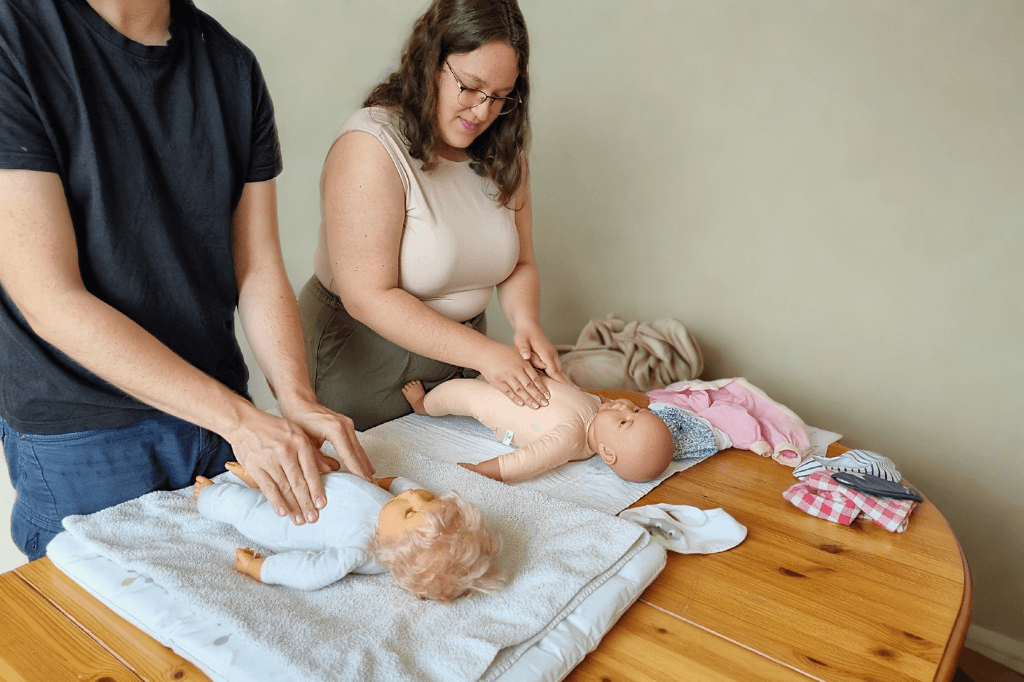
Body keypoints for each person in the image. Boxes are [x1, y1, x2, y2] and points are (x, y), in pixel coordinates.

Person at [0, 0, 374, 563]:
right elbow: (49, 299)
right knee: (103, 621)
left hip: (217, 419)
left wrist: (295, 398)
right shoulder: (16, 36)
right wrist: (241, 420)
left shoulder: (232, 66)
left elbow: (258, 265)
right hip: (85, 436)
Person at [299, 0, 569, 432]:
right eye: (471, 87)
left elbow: (520, 262)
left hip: (462, 365)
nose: (482, 111)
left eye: (500, 96)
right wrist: (485, 354)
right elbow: (366, 296)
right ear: (430, 63)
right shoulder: (372, 145)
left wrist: (526, 324)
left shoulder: (504, 152)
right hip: (361, 361)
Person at [195, 463, 503, 601]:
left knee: (241, 507)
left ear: (396, 548)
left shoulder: (360, 547)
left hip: (284, 520)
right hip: (313, 487)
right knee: (289, 471)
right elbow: (403, 485)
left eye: (410, 510)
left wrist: (261, 569)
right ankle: (261, 481)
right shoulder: (403, 510)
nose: (414, 496)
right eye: (430, 499)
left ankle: (207, 497)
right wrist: (383, 483)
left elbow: (309, 572)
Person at [401, 379, 675, 483]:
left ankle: (423, 404)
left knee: (460, 393)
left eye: (624, 422)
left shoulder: (571, 438)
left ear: (607, 452)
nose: (624, 407)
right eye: (636, 410)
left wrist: (481, 471)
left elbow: (528, 461)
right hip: (522, 381)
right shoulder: (598, 409)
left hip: (498, 402)